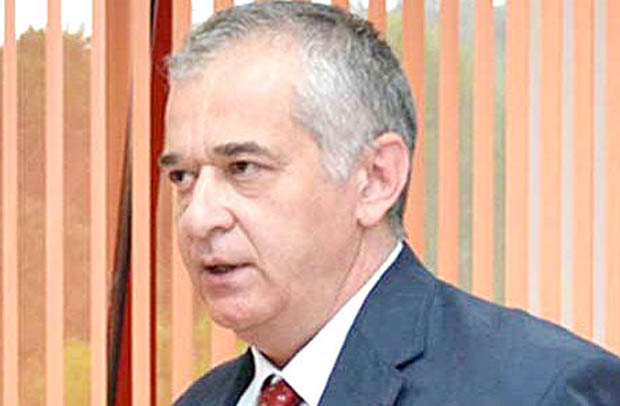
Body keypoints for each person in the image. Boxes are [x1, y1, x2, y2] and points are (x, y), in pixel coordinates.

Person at [161, 2, 620, 405]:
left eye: (242, 167)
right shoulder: (202, 401)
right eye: (182, 176)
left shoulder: (537, 391)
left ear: (376, 179)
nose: (198, 218)